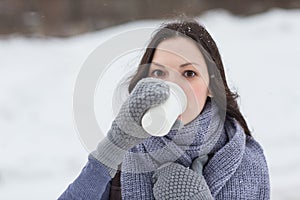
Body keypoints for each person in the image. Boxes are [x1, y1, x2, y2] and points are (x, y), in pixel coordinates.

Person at [59, 19, 270, 199]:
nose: (173, 86)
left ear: (212, 86)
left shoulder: (246, 163)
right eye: (159, 73)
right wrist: (113, 146)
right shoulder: (126, 152)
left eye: (189, 73)